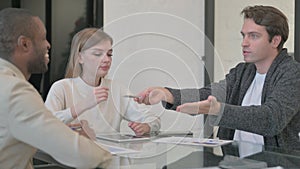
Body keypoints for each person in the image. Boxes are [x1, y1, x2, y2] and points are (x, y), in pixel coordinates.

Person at [135, 5, 300, 152]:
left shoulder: (292, 73)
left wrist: (218, 110)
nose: (244, 43)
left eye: (253, 36)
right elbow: (211, 94)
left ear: (275, 40)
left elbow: (270, 119)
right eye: (243, 35)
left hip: (278, 164)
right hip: (236, 162)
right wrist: (167, 94)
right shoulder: (242, 72)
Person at [0, 8, 112, 169]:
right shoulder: (15, 91)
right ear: (24, 44)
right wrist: (108, 158)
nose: (48, 45)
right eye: (43, 38)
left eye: (109, 54)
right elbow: (86, 156)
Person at [45, 28, 160, 136]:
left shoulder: (117, 89)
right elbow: (44, 124)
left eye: (109, 54)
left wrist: (147, 127)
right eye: (97, 54)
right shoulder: (61, 88)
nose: (106, 60)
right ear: (80, 57)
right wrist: (82, 106)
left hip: (108, 156)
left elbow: (153, 119)